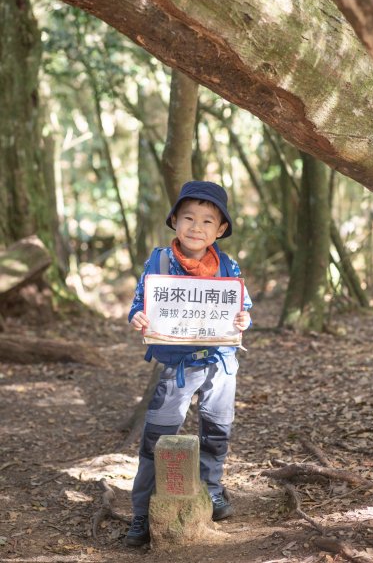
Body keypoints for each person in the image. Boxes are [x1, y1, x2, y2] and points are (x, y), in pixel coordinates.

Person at [126, 180, 252, 546]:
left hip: (220, 363)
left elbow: (242, 307)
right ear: (175, 221)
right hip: (176, 365)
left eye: (207, 221)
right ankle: (141, 513)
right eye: (189, 218)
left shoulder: (228, 266)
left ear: (221, 229)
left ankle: (211, 489)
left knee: (217, 431)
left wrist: (244, 320)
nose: (196, 227)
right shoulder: (159, 261)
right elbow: (140, 303)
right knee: (158, 437)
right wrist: (138, 317)